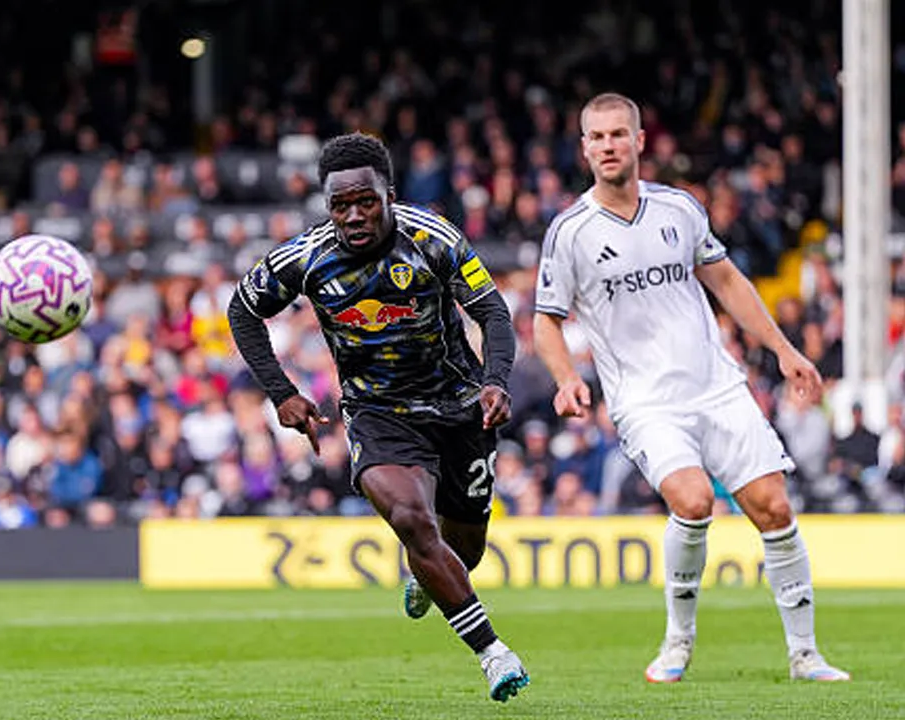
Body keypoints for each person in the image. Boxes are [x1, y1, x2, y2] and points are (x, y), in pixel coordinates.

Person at [532, 92, 849, 684]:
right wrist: (567, 376)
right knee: (693, 499)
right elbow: (545, 319)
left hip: (717, 386)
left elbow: (726, 280)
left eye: (618, 135)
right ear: (583, 148)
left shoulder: (679, 208)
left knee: (775, 508)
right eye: (597, 137)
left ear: (640, 140)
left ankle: (806, 655)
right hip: (646, 402)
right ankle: (677, 642)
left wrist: (783, 350)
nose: (608, 146)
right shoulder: (569, 231)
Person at [227, 132, 530, 702]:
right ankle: (494, 653)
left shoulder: (433, 239)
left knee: (464, 548)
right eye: (340, 205)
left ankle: (426, 575)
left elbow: (491, 311)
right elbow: (243, 309)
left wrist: (495, 381)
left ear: (389, 195)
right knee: (414, 520)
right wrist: (280, 392)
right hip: (376, 412)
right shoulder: (307, 257)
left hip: (460, 406)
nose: (354, 215)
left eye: (365, 201)